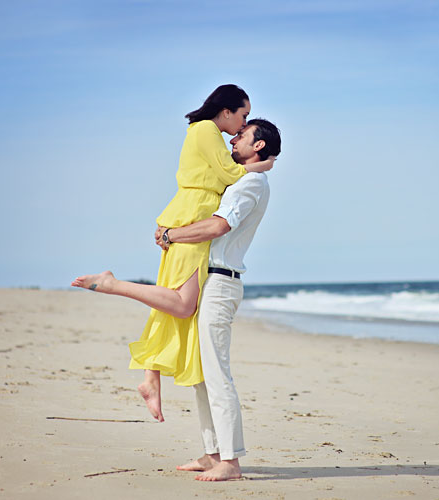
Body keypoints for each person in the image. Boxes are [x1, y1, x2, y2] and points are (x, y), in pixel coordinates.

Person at [71, 85, 275, 423]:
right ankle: (112, 285)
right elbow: (228, 174)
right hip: (192, 216)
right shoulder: (206, 129)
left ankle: (151, 378)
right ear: (226, 110)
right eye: (243, 115)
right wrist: (262, 166)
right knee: (181, 303)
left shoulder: (204, 130)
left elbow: (224, 175)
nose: (242, 124)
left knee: (171, 300)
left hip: (191, 215)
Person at [155, 118, 281, 481]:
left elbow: (218, 226)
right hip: (206, 280)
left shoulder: (252, 183)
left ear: (258, 146)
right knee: (200, 375)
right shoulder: (244, 178)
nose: (233, 137)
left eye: (242, 135)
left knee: (216, 373)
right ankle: (213, 454)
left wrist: (170, 235)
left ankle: (231, 461)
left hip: (221, 284)